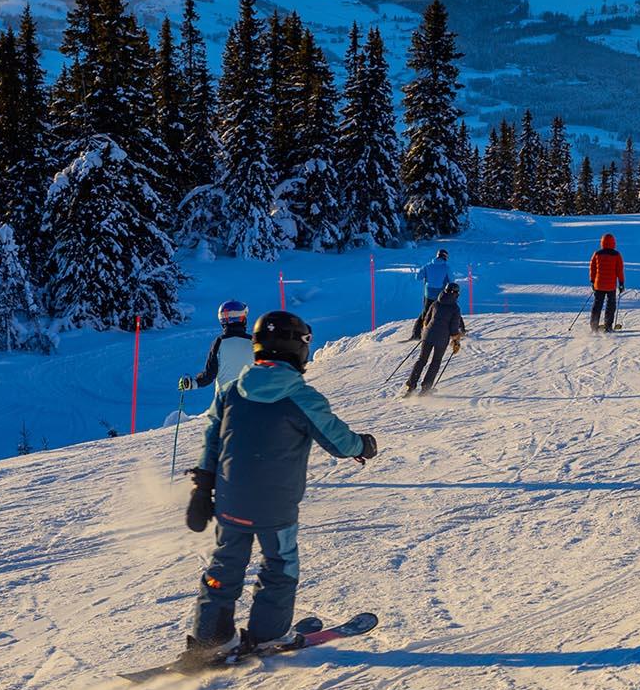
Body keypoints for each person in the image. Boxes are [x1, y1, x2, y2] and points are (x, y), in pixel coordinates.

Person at [182, 311, 378, 662]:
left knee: (224, 567)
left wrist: (202, 489)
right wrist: (362, 446)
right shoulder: (302, 396)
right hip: (275, 509)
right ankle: (269, 634)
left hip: (230, 503)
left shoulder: (230, 392)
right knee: (279, 566)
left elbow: (212, 439)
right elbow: (338, 440)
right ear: (297, 349)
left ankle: (211, 638)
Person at [179, 300, 253, 394]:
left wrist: (193, 383)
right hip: (250, 400)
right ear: (243, 319)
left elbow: (209, 375)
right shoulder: (253, 342)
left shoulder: (219, 342)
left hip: (225, 401)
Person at [405, 282, 466, 396]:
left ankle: (411, 386)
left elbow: (426, 320)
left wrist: (425, 332)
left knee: (422, 360)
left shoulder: (436, 303)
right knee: (435, 362)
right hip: (441, 339)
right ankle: (425, 389)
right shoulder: (455, 308)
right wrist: (456, 342)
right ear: (455, 294)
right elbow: (453, 329)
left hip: (427, 335)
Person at [409, 248, 455, 341]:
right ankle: (456, 330)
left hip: (428, 293)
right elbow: (452, 281)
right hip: (440, 295)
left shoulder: (427, 266)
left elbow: (418, 277)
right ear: (445, 257)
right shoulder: (446, 268)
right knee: (448, 310)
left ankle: (416, 333)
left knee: (426, 312)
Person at [589, 232, 625, 332]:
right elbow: (619, 270)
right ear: (613, 243)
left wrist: (592, 280)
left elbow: (592, 268)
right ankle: (608, 326)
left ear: (602, 242)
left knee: (597, 304)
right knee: (611, 304)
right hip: (611, 285)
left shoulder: (597, 254)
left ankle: (594, 326)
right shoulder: (616, 255)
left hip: (599, 284)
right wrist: (621, 283)